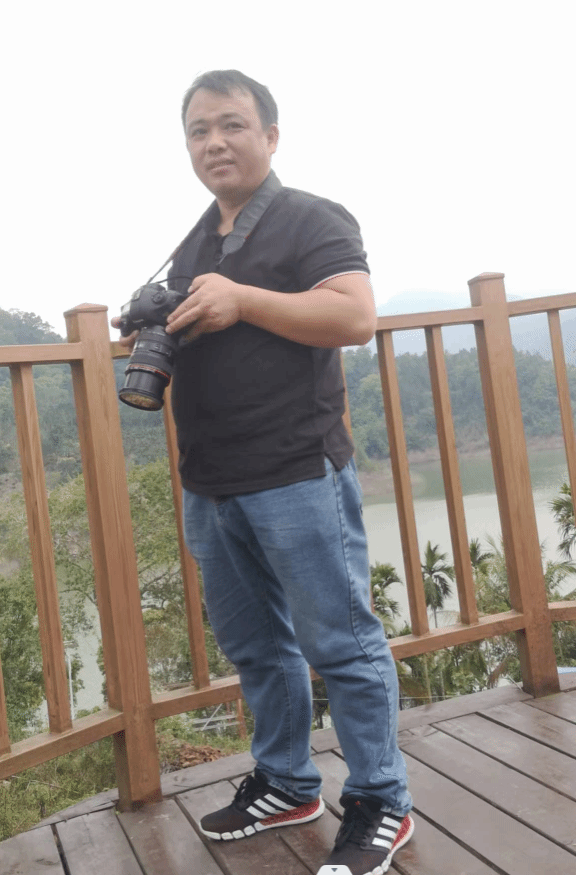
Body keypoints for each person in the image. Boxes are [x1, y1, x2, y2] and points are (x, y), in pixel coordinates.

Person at [115, 69, 413, 875]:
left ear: (270, 136)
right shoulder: (194, 240)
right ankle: (286, 781)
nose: (214, 142)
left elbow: (355, 314)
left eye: (232, 125)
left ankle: (381, 798)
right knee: (256, 646)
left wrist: (243, 299)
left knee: (341, 642)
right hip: (210, 479)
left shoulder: (312, 217)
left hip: (295, 470)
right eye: (198, 130)